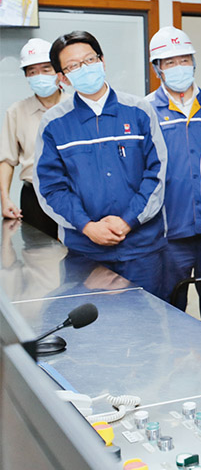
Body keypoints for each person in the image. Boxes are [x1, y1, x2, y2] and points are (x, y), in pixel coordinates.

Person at [33, 30, 167, 296]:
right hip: (85, 251)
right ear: (62, 78)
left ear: (102, 61)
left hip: (142, 249)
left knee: (149, 318)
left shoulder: (139, 111)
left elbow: (157, 173)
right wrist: (88, 226)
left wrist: (128, 221)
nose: (84, 68)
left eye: (89, 60)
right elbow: (51, 188)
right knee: (89, 320)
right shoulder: (54, 124)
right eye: (73, 66)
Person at [147, 26, 201, 321]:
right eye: (170, 62)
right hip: (168, 231)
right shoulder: (147, 110)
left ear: (193, 62)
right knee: (168, 310)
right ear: (157, 68)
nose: (179, 67)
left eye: (184, 60)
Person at [1, 38, 69, 238]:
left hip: (75, 192)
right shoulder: (16, 111)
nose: (39, 76)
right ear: (26, 76)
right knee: (38, 252)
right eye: (32, 71)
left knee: (79, 251)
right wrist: (5, 199)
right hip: (34, 196)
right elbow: (6, 159)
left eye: (46, 69)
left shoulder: (75, 106)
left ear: (58, 72)